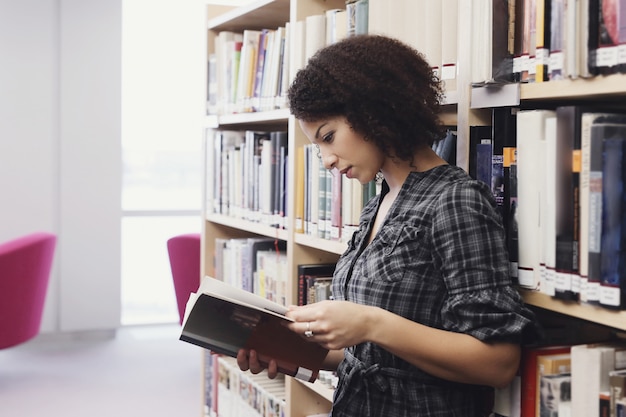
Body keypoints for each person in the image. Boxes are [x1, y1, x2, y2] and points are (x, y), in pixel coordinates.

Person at [237, 34, 541, 416]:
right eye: (318, 147)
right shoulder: (378, 202)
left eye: (328, 137)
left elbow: (497, 363)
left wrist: (370, 323)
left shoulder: (456, 201)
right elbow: (378, 359)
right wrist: (290, 351)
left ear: (373, 111)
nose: (327, 160)